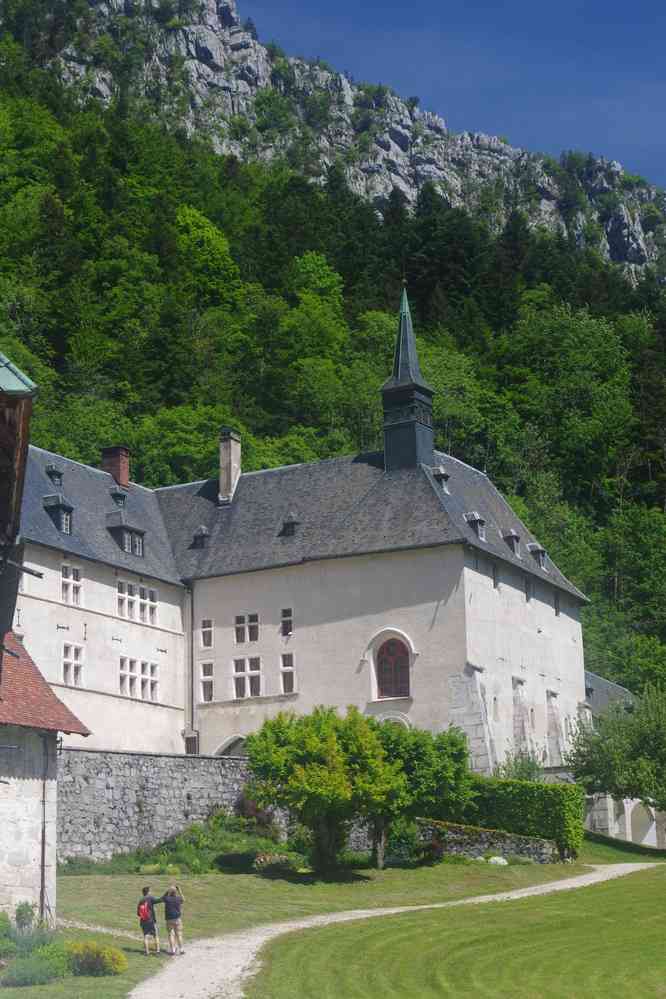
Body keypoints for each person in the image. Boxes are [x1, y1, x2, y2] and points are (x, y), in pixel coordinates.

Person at [156, 885, 185, 955]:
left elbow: (161, 899)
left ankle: (173, 950)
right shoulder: (178, 898)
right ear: (176, 893)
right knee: (179, 934)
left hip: (169, 919)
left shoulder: (167, 899)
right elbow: (183, 899)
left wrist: (167, 891)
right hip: (177, 919)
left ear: (170, 892)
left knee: (171, 934)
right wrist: (180, 891)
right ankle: (181, 949)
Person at [137, 885, 161, 956]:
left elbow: (138, 913)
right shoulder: (150, 898)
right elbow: (160, 900)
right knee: (155, 935)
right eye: (150, 891)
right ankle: (157, 951)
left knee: (145, 936)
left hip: (143, 921)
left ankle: (147, 952)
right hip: (151, 920)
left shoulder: (141, 900)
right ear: (148, 892)